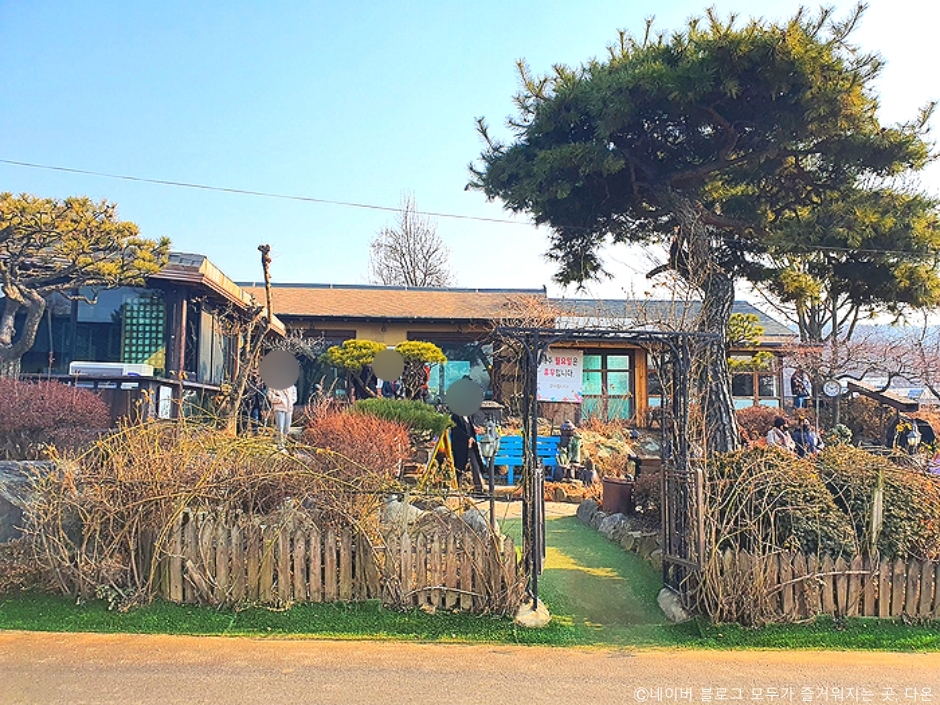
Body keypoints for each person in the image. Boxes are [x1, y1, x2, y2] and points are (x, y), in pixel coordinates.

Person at [449, 412, 484, 493]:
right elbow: (456, 431)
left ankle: (479, 489)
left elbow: (469, 428)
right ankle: (458, 489)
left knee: (475, 465)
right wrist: (467, 439)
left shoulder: (468, 416)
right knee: (460, 467)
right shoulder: (455, 417)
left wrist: (475, 429)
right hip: (461, 446)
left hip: (472, 445)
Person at [267, 384, 297, 448]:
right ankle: (280, 445)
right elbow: (270, 396)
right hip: (279, 408)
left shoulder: (292, 387)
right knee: (280, 427)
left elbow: (294, 398)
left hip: (288, 409)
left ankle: (284, 441)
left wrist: (289, 401)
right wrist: (281, 400)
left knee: (287, 428)